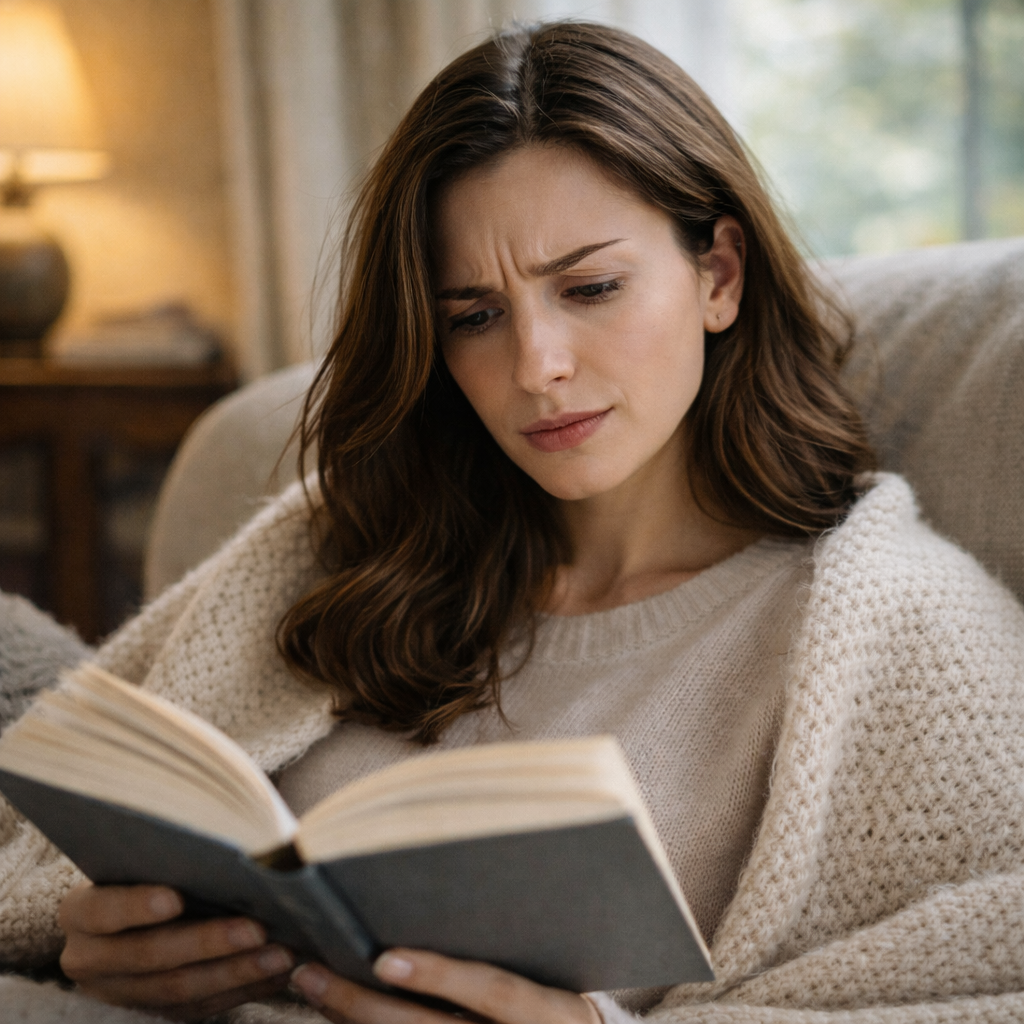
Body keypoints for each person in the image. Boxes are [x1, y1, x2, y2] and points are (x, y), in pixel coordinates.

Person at [3, 19, 1024, 1024]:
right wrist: (92, 935)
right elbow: (34, 853)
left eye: (589, 287)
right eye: (474, 315)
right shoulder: (336, 542)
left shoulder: (899, 629)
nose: (536, 366)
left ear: (718, 274)